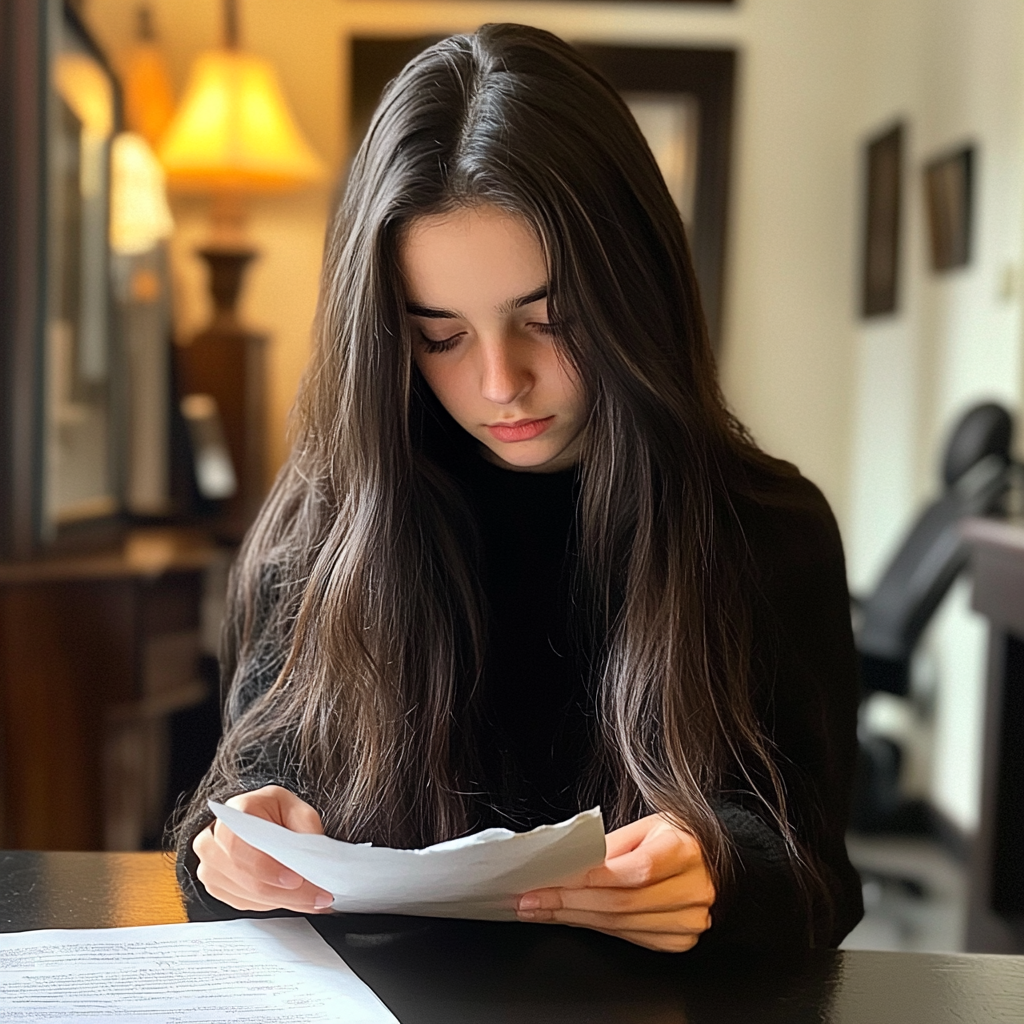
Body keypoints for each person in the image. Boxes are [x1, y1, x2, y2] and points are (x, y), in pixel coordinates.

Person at [174, 23, 864, 953]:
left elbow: (819, 876)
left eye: (553, 319)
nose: (500, 384)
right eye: (441, 336)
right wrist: (234, 857)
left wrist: (723, 873)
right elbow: (227, 833)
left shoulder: (768, 530)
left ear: (635, 295)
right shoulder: (324, 528)